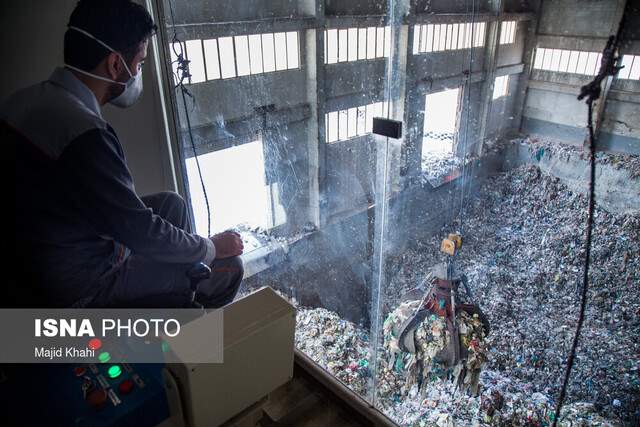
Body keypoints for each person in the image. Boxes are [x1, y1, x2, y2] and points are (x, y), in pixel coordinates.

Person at [4, 0, 243, 308]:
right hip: (81, 283)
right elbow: (139, 230)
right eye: (140, 64)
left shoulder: (22, 101)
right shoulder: (84, 134)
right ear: (115, 64)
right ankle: (181, 322)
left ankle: (178, 280)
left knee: (172, 204)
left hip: (50, 243)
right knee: (226, 269)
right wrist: (210, 247)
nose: (138, 73)